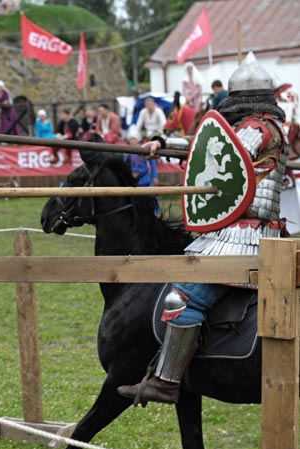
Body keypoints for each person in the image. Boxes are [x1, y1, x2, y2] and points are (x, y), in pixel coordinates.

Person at [118, 53, 288, 404]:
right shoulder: (261, 125)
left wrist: (174, 146)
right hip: (238, 232)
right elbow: (207, 147)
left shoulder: (257, 128)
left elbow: (218, 154)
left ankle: (166, 382)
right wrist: (164, 144)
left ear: (240, 99)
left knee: (183, 296)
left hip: (246, 236)